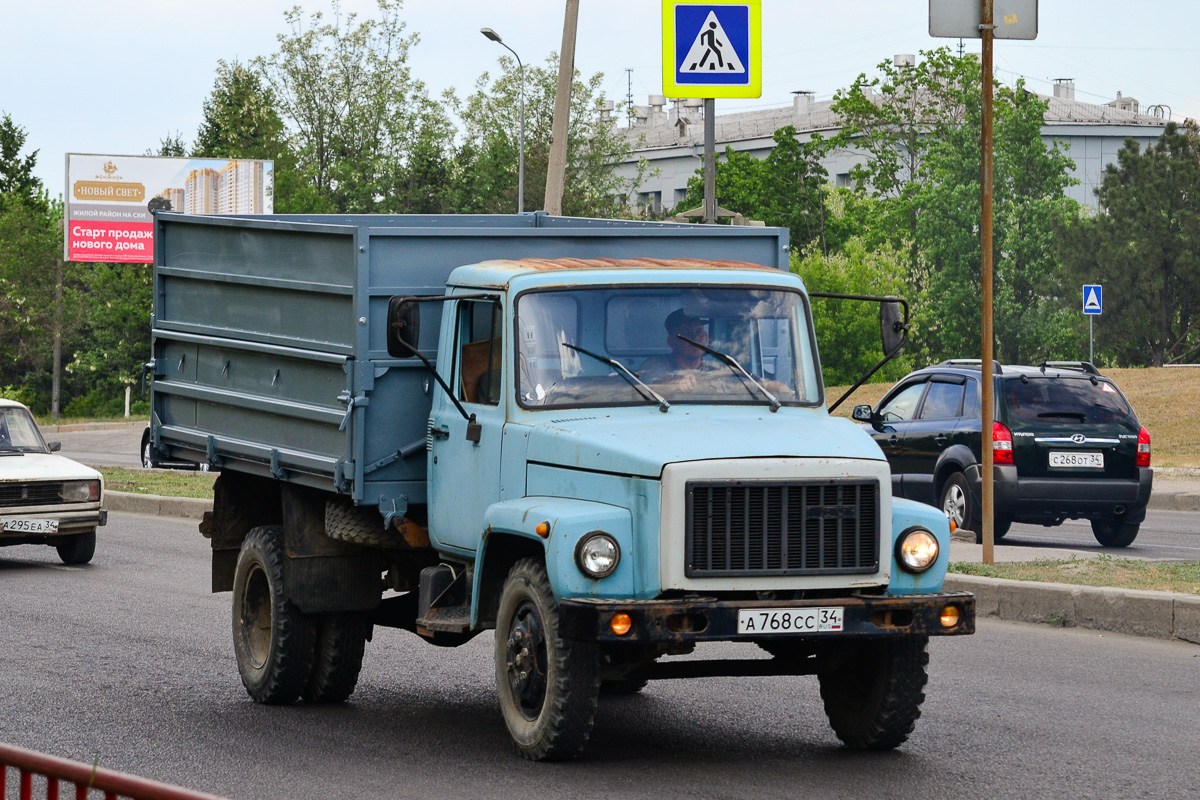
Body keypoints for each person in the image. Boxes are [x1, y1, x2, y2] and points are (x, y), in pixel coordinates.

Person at [637, 308, 715, 389]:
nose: (695, 337)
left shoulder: (715, 370)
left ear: (706, 337)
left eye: (699, 332)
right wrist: (678, 383)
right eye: (686, 333)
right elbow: (651, 388)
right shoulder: (655, 365)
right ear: (671, 341)